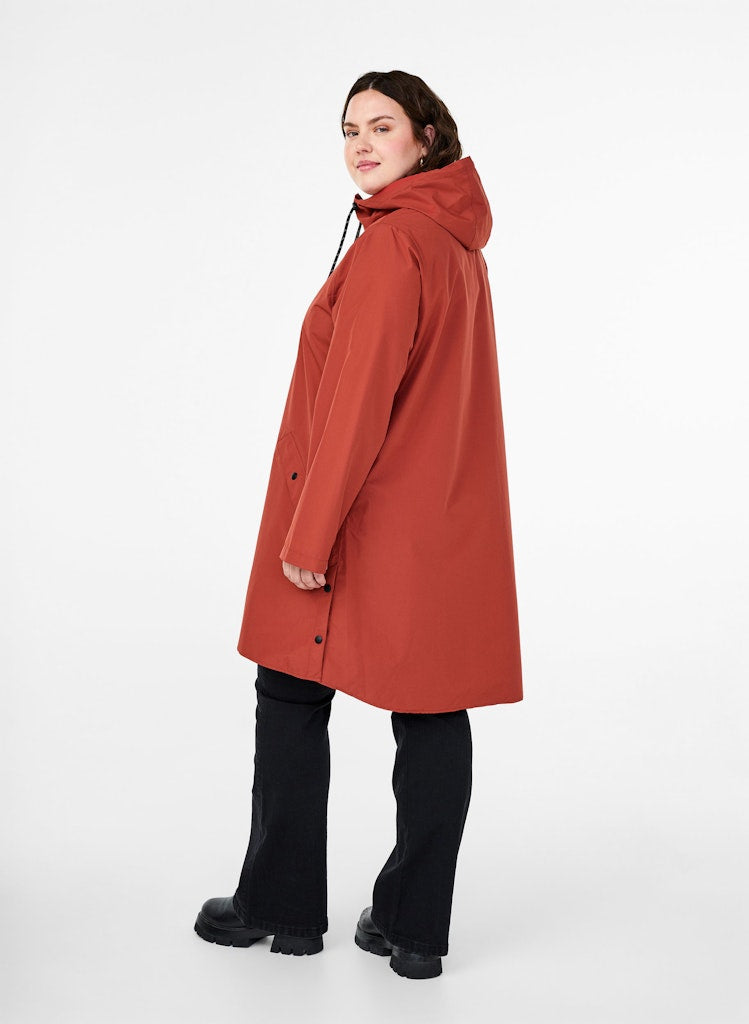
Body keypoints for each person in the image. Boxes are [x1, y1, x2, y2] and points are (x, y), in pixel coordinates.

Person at [194, 69, 523, 981]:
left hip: (359, 521)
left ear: (427, 137)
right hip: (439, 525)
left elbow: (354, 408)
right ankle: (413, 933)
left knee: (289, 693)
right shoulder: (455, 243)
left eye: (382, 126)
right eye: (349, 130)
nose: (361, 144)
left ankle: (280, 909)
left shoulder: (392, 245)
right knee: (431, 711)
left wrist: (308, 538)